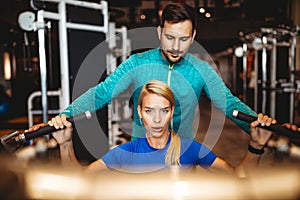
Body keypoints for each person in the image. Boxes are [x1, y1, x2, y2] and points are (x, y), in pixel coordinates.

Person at [29, 3, 256, 141]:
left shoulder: (201, 69)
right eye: (170, 37)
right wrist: (65, 115)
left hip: (182, 156)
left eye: (184, 39)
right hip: (142, 155)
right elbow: (102, 93)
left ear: (193, 36)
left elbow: (229, 104)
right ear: (159, 32)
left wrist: (258, 124)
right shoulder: (137, 63)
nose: (176, 46)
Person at [50, 80, 274, 175]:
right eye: (149, 111)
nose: (156, 119)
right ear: (140, 113)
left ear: (171, 112)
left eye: (163, 110)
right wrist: (66, 145)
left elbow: (239, 177)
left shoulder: (189, 150)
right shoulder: (126, 153)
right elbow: (78, 181)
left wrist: (255, 146)